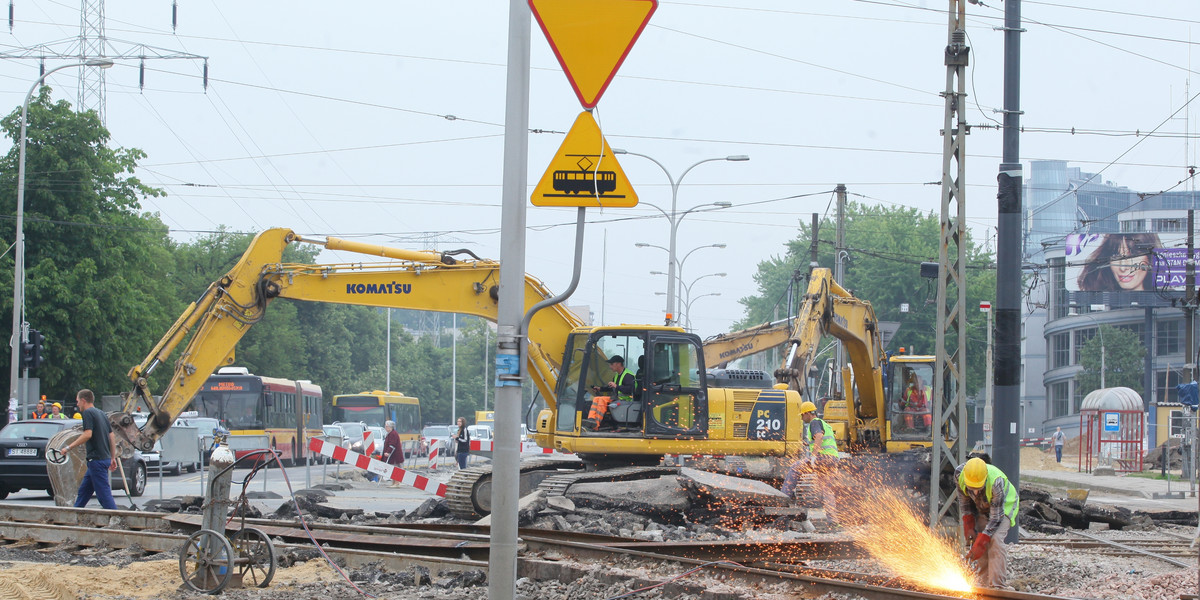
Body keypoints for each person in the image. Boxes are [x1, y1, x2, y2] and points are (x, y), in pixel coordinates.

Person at [956, 457, 1018, 589]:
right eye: (972, 488)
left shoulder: (996, 482)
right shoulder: (959, 474)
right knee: (980, 540)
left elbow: (996, 518)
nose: (975, 492)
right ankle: (984, 585)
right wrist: (969, 524)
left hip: (1003, 506)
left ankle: (997, 586)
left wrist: (983, 539)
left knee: (994, 539)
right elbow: (964, 501)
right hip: (982, 505)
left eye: (978, 488)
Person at [58, 389, 118, 510]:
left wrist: (68, 448)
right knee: (84, 492)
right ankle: (74, 514)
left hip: (96, 460)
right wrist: (112, 457)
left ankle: (117, 518)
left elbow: (87, 434)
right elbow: (111, 436)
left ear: (83, 400)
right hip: (102, 459)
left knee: (104, 495)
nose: (77, 404)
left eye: (77, 401)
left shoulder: (87, 413)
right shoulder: (101, 413)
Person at [781, 401, 840, 522]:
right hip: (832, 459)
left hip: (822, 458)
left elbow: (819, 436)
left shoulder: (814, 422)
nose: (802, 418)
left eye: (803, 415)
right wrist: (808, 444)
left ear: (808, 413)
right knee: (826, 489)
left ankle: (782, 499)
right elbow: (820, 440)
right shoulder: (824, 424)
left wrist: (813, 456)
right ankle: (833, 521)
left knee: (795, 468)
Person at [1077, 233, 1160, 292]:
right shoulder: (1098, 300)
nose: (1123, 268)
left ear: (1150, 259)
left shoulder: (1167, 299)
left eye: (1133, 256)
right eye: (1115, 255)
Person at [582, 355, 637, 431]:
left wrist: (616, 386)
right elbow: (612, 387)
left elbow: (630, 389)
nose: (610, 366)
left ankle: (596, 425)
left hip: (626, 401)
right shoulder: (617, 376)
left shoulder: (628, 376)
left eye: (611, 364)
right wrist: (600, 388)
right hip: (618, 399)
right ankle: (591, 419)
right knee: (596, 398)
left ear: (618, 364)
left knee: (602, 400)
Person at [380, 420, 404, 486]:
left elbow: (392, 444)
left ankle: (396, 483)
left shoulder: (393, 434)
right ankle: (394, 482)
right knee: (392, 469)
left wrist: (388, 452)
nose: (385, 427)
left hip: (394, 456)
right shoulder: (391, 433)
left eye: (386, 426)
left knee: (395, 469)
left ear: (390, 427)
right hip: (393, 455)